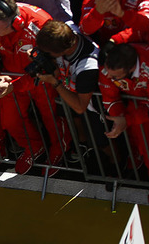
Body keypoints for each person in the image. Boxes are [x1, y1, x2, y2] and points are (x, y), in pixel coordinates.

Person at [0, 0, 70, 174]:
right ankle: (33, 146)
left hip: (42, 80)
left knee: (50, 116)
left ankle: (60, 148)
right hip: (9, 78)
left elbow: (50, 66)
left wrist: (15, 84)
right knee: (9, 121)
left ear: (16, 23)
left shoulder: (41, 25)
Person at [99, 42, 149, 206]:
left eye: (116, 77)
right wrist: (119, 119)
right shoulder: (109, 66)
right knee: (148, 147)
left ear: (129, 70)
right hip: (136, 106)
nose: (109, 77)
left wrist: (127, 120)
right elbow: (110, 97)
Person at [34, 19, 101, 174]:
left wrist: (55, 83)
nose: (46, 55)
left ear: (63, 51)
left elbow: (80, 106)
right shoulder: (67, 28)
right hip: (72, 89)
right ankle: (82, 142)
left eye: (48, 54)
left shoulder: (88, 66)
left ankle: (112, 168)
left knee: (102, 141)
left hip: (97, 106)